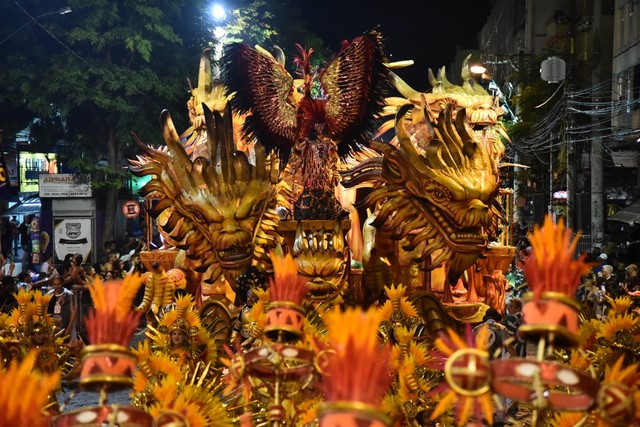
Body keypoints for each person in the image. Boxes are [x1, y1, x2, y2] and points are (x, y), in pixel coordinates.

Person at [46, 275, 77, 339]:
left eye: (59, 284)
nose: (57, 286)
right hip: (52, 327)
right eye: (55, 284)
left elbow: (73, 313)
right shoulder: (49, 294)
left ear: (62, 283)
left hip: (66, 324)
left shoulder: (69, 295)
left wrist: (69, 328)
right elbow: (45, 310)